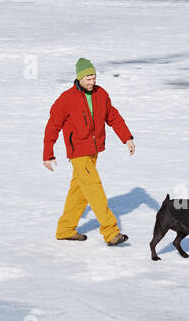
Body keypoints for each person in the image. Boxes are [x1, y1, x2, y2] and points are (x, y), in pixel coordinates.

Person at [43, 57, 136, 245]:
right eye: (88, 78)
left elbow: (113, 117)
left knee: (79, 192)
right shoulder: (66, 99)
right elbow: (52, 126)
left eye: (94, 77)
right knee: (94, 190)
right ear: (79, 78)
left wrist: (127, 137)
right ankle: (110, 232)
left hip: (94, 151)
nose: (92, 82)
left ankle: (65, 229)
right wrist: (48, 154)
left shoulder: (101, 94)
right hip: (78, 153)